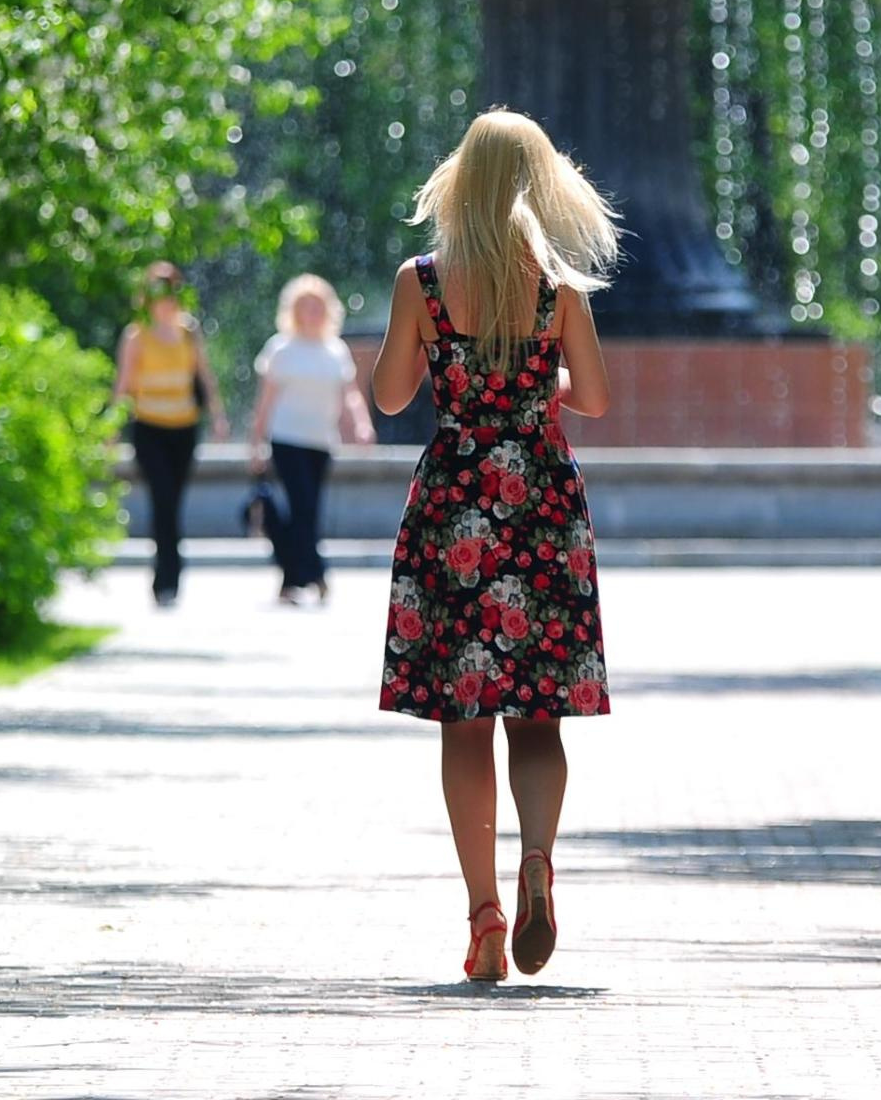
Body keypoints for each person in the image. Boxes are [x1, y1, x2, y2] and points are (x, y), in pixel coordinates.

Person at [370, 109, 617, 985]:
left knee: (464, 720)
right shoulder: (558, 285)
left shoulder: (423, 280)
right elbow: (590, 397)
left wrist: (450, 361)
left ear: (461, 180)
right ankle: (539, 858)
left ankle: (482, 915)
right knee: (538, 712)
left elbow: (394, 396)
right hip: (542, 500)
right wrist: (531, 369)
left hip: (458, 502)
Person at [250, 274, 375, 607]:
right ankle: (317, 573)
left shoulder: (335, 350)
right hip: (287, 438)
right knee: (303, 505)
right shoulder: (280, 348)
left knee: (307, 510)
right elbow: (266, 400)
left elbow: (350, 395)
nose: (311, 312)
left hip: (321, 442)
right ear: (293, 310)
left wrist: (362, 425)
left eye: (317, 305)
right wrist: (256, 442)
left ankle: (292, 580)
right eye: (305, 305)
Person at [113, 260, 222, 606]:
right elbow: (125, 383)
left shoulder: (189, 330)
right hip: (149, 428)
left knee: (173, 502)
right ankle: (166, 579)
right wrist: (112, 428)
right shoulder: (136, 334)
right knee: (162, 500)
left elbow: (204, 375)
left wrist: (218, 415)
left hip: (184, 427)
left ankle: (170, 575)